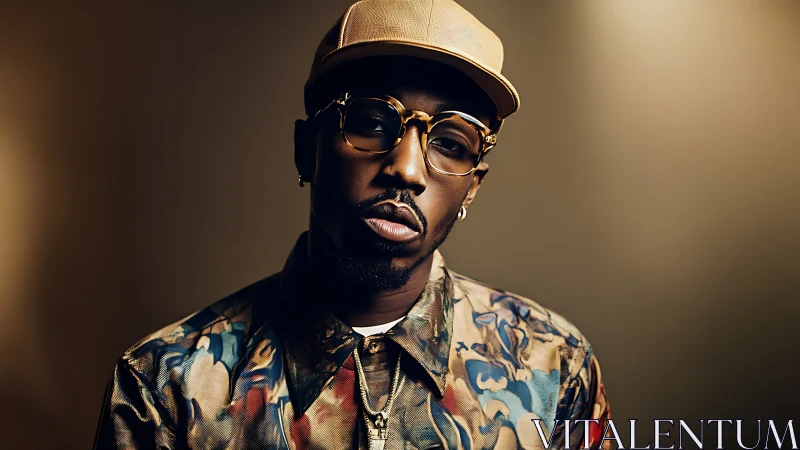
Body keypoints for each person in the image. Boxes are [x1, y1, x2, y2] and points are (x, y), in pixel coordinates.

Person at [94, 0, 611, 448]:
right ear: (306, 150)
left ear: (472, 186)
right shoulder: (167, 388)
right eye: (370, 121)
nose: (406, 170)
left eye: (451, 143)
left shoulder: (554, 370)